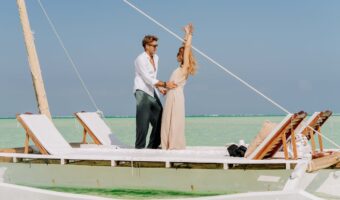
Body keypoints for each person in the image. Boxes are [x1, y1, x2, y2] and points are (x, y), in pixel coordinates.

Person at [134, 35, 177, 149]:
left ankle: (152, 147)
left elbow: (153, 76)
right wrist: (165, 84)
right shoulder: (140, 59)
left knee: (161, 119)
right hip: (142, 91)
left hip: (152, 91)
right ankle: (139, 149)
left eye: (156, 46)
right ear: (146, 46)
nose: (155, 48)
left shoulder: (156, 58)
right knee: (143, 123)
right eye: (153, 46)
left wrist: (159, 88)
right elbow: (147, 78)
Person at [161, 24, 197, 150]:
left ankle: (174, 145)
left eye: (179, 53)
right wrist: (165, 89)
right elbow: (184, 46)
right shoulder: (179, 68)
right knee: (167, 121)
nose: (178, 54)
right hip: (171, 94)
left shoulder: (185, 67)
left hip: (177, 95)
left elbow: (186, 48)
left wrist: (189, 34)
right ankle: (167, 144)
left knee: (175, 121)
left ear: (182, 56)